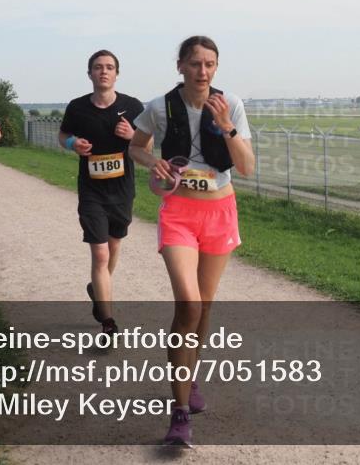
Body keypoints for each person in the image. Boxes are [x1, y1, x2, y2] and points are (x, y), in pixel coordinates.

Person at [128, 36, 254, 447]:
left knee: (204, 308)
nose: (203, 72)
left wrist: (227, 128)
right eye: (195, 63)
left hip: (220, 212)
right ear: (180, 65)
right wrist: (154, 161)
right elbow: (136, 147)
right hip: (180, 212)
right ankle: (179, 415)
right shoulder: (159, 107)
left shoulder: (230, 103)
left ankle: (190, 375)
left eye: (210, 64)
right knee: (189, 304)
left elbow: (248, 168)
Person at [58, 50, 144, 336]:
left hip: (122, 189)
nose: (103, 71)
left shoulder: (132, 106)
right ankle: (108, 322)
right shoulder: (77, 107)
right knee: (100, 253)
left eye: (109, 67)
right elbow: (63, 135)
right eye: (98, 67)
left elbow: (148, 142)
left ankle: (98, 290)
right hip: (91, 189)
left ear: (116, 73)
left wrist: (132, 136)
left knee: (114, 247)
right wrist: (72, 143)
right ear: (90, 74)